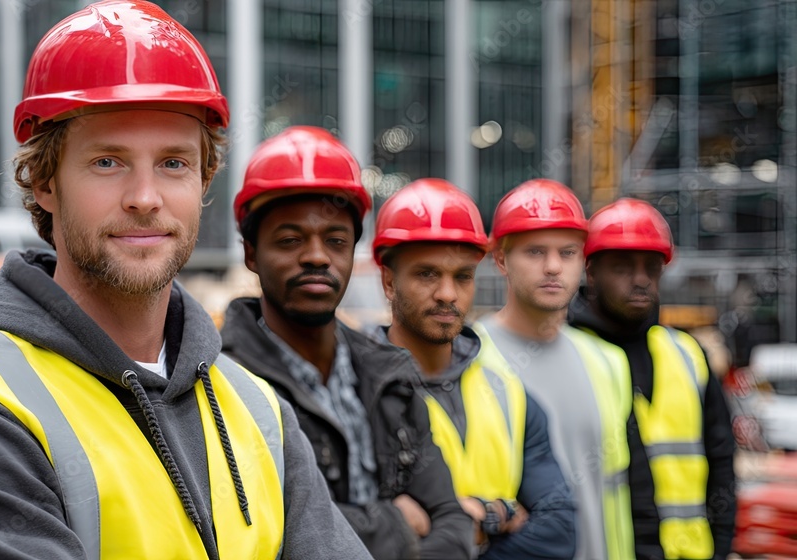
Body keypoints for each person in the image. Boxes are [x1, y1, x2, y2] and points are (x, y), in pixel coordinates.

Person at [0, 3, 371, 558]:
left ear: (204, 181)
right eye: (108, 162)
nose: (145, 198)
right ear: (44, 183)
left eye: (174, 163)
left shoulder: (259, 411)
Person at [220, 126, 474, 559]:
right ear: (250, 254)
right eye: (290, 240)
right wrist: (394, 525)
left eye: (335, 240)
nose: (317, 256)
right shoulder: (222, 384)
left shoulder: (388, 372)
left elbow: (453, 522)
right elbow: (268, 535)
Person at [371, 178, 577, 559]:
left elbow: (560, 532)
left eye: (462, 276)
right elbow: (361, 537)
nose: (448, 294)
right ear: (388, 280)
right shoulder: (353, 389)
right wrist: (500, 514)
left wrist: (467, 525)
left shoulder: (508, 393)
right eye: (427, 274)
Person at [475, 178, 635, 560]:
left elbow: (616, 493)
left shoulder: (608, 362)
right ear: (500, 259)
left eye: (567, 252)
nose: (552, 267)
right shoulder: (471, 360)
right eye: (534, 252)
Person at [568, 198, 736, 559]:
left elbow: (722, 461)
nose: (641, 279)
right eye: (623, 267)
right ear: (591, 271)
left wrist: (721, 548)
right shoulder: (568, 356)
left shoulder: (688, 355)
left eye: (651, 266)